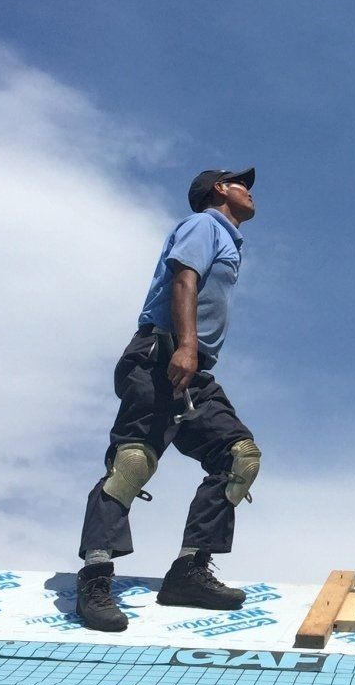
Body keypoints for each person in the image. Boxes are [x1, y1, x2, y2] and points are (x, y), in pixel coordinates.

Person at [74, 167, 263, 632]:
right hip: (162, 354)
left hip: (193, 370)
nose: (250, 191)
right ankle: (95, 576)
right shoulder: (204, 225)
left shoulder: (228, 238)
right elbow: (183, 279)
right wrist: (184, 345)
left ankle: (189, 573)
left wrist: (191, 355)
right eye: (242, 183)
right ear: (220, 189)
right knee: (132, 463)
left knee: (238, 458)